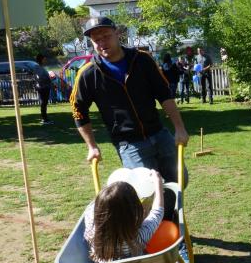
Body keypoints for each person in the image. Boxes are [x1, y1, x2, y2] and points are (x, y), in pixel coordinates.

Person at [70, 16, 189, 187]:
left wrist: (179, 128)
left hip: (160, 134)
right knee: (147, 191)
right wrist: (92, 146)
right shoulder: (88, 74)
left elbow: (164, 94)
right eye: (96, 40)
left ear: (117, 33)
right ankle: (156, 214)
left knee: (179, 182)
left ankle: (172, 214)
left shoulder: (142, 59)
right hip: (129, 145)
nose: (102, 42)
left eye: (106, 36)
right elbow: (78, 110)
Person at [83, 169, 178, 263]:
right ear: (131, 214)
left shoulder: (90, 217)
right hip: (132, 259)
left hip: (103, 260)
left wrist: (108, 195)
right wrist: (158, 184)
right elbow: (157, 213)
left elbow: (103, 204)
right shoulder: (137, 238)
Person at [33, 54, 53, 125]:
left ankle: (45, 118)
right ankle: (44, 119)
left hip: (44, 87)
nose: (45, 60)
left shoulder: (40, 67)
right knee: (43, 103)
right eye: (44, 59)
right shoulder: (38, 67)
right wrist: (49, 78)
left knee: (44, 103)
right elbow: (40, 77)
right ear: (41, 59)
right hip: (43, 87)